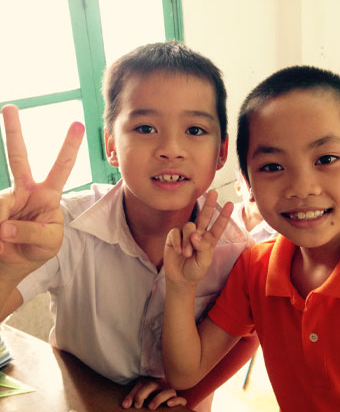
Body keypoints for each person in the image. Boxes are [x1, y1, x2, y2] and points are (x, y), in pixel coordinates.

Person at [161, 66, 340, 411]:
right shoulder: (255, 269)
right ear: (247, 183)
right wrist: (180, 286)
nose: (301, 188)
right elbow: (185, 373)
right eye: (272, 167)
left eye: (326, 159)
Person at [0, 42, 258, 411]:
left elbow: (247, 336)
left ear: (221, 152)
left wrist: (191, 395)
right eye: (146, 127)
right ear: (111, 145)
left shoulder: (237, 251)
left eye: (195, 130)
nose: (171, 148)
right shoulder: (67, 228)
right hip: (79, 400)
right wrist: (8, 268)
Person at [231, 169, 277, 243]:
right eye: (251, 184)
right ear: (239, 189)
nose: (259, 192)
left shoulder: (280, 231)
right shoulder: (228, 216)